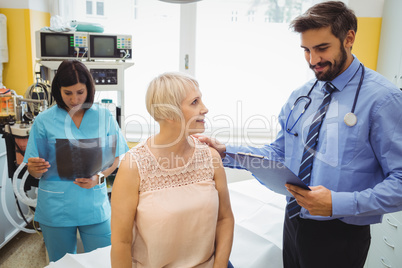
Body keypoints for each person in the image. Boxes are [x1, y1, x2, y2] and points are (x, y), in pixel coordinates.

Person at [197, 1, 402, 268]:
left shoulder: (383, 100)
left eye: (322, 48)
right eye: (306, 50)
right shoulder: (302, 95)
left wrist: (337, 203)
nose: (313, 60)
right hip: (293, 222)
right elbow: (279, 153)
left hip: (341, 234)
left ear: (349, 38)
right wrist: (226, 152)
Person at [110, 72, 234, 268]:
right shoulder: (134, 165)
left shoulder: (210, 157)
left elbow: (225, 219)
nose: (205, 108)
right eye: (195, 102)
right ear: (169, 113)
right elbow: (121, 242)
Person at [24, 60, 129, 262]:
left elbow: (115, 159)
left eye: (80, 92)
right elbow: (35, 171)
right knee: (62, 263)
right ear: (58, 91)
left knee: (103, 261)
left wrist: (98, 177)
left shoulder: (103, 116)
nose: (75, 99)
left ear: (89, 89)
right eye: (68, 93)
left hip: (94, 206)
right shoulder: (43, 121)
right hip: (56, 207)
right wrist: (34, 169)